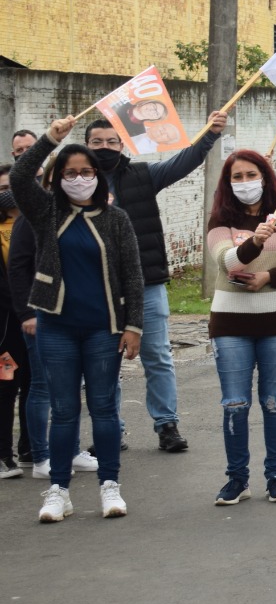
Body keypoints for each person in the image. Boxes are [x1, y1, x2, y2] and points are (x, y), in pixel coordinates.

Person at [13, 115, 143, 523]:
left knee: (104, 407)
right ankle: (58, 491)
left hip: (104, 330)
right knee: (64, 410)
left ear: (97, 176)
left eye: (86, 172)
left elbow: (132, 275)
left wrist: (134, 326)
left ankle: (110, 485)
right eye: (70, 173)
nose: (79, 178)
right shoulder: (47, 213)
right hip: (56, 327)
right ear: (57, 178)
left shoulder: (115, 219)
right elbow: (18, 177)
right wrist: (51, 139)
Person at [84, 111, 225, 453]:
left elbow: (182, 162)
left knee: (158, 357)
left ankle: (167, 425)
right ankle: (110, 430)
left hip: (146, 284)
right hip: (96, 289)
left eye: (111, 141)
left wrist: (209, 134)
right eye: (96, 142)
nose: (104, 147)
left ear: (122, 145)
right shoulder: (74, 184)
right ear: (85, 146)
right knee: (103, 363)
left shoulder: (142, 176)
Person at [206, 150, 276, 505]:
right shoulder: (219, 222)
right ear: (227, 184)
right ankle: (237, 479)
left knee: (274, 402)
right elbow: (227, 262)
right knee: (235, 403)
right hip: (231, 325)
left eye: (250, 174)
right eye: (236, 177)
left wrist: (271, 277)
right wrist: (255, 241)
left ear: (265, 177)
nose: (244, 183)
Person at [7, 141, 99, 479]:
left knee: (71, 387)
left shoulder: (76, 215)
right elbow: (18, 268)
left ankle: (72, 450)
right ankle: (42, 457)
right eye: (67, 175)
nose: (76, 181)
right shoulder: (32, 217)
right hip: (40, 316)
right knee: (43, 387)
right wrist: (27, 314)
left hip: (74, 315)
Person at [0, 165, 31, 479]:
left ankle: (29, 449)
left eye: (11, 186)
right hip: (6, 328)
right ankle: (2, 455)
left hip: (33, 322)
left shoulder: (32, 224)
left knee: (32, 386)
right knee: (5, 387)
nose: (7, 193)